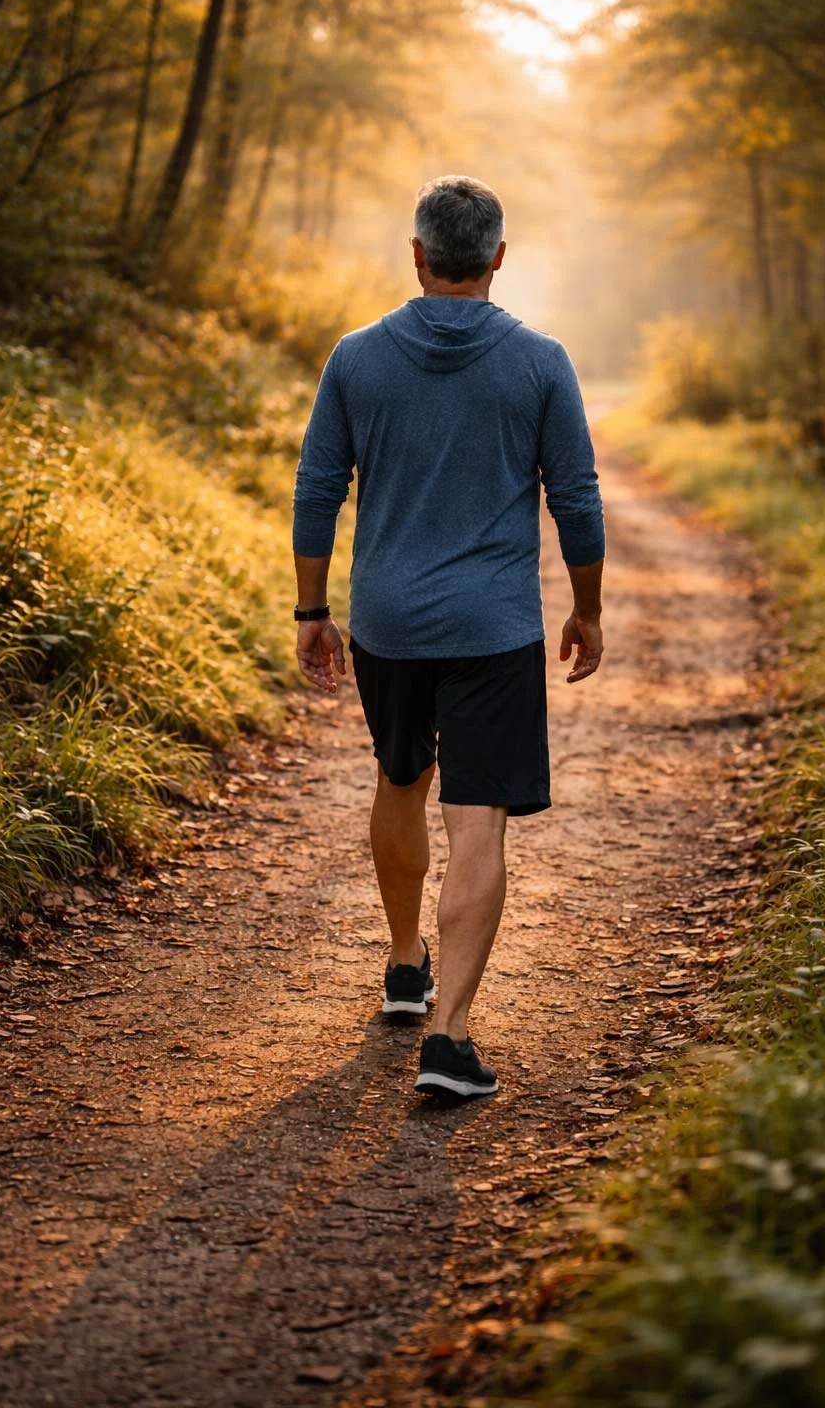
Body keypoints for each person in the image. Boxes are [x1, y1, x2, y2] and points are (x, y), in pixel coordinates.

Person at [291, 174, 605, 1098]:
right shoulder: (541, 362)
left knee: (399, 778)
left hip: (388, 623)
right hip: (493, 630)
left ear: (419, 255)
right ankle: (450, 1037)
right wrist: (586, 608)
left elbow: (318, 489)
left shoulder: (356, 358)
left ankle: (403, 965)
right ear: (499, 258)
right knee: (478, 821)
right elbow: (576, 500)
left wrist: (313, 611)